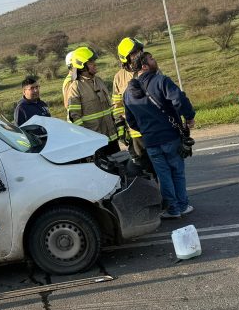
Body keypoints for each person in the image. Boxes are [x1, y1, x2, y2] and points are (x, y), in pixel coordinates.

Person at [123, 50, 196, 219]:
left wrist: (147, 131)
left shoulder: (127, 93)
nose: (155, 60)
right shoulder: (161, 81)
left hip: (150, 141)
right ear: (144, 65)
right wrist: (189, 117)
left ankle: (172, 209)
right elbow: (179, 99)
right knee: (177, 171)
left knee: (163, 176)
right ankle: (183, 205)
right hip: (170, 136)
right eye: (151, 58)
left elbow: (131, 121)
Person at [63, 46, 119, 154]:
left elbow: (110, 108)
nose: (94, 64)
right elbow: (74, 117)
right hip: (95, 143)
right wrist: (86, 139)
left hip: (112, 138)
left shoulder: (99, 81)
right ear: (81, 66)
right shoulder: (75, 87)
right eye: (90, 62)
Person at [112, 37, 149, 169]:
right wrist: (121, 127)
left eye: (140, 51)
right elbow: (117, 105)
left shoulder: (150, 69)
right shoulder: (119, 77)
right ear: (125, 58)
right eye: (134, 53)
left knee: (162, 166)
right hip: (135, 134)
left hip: (154, 129)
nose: (139, 55)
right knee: (143, 167)